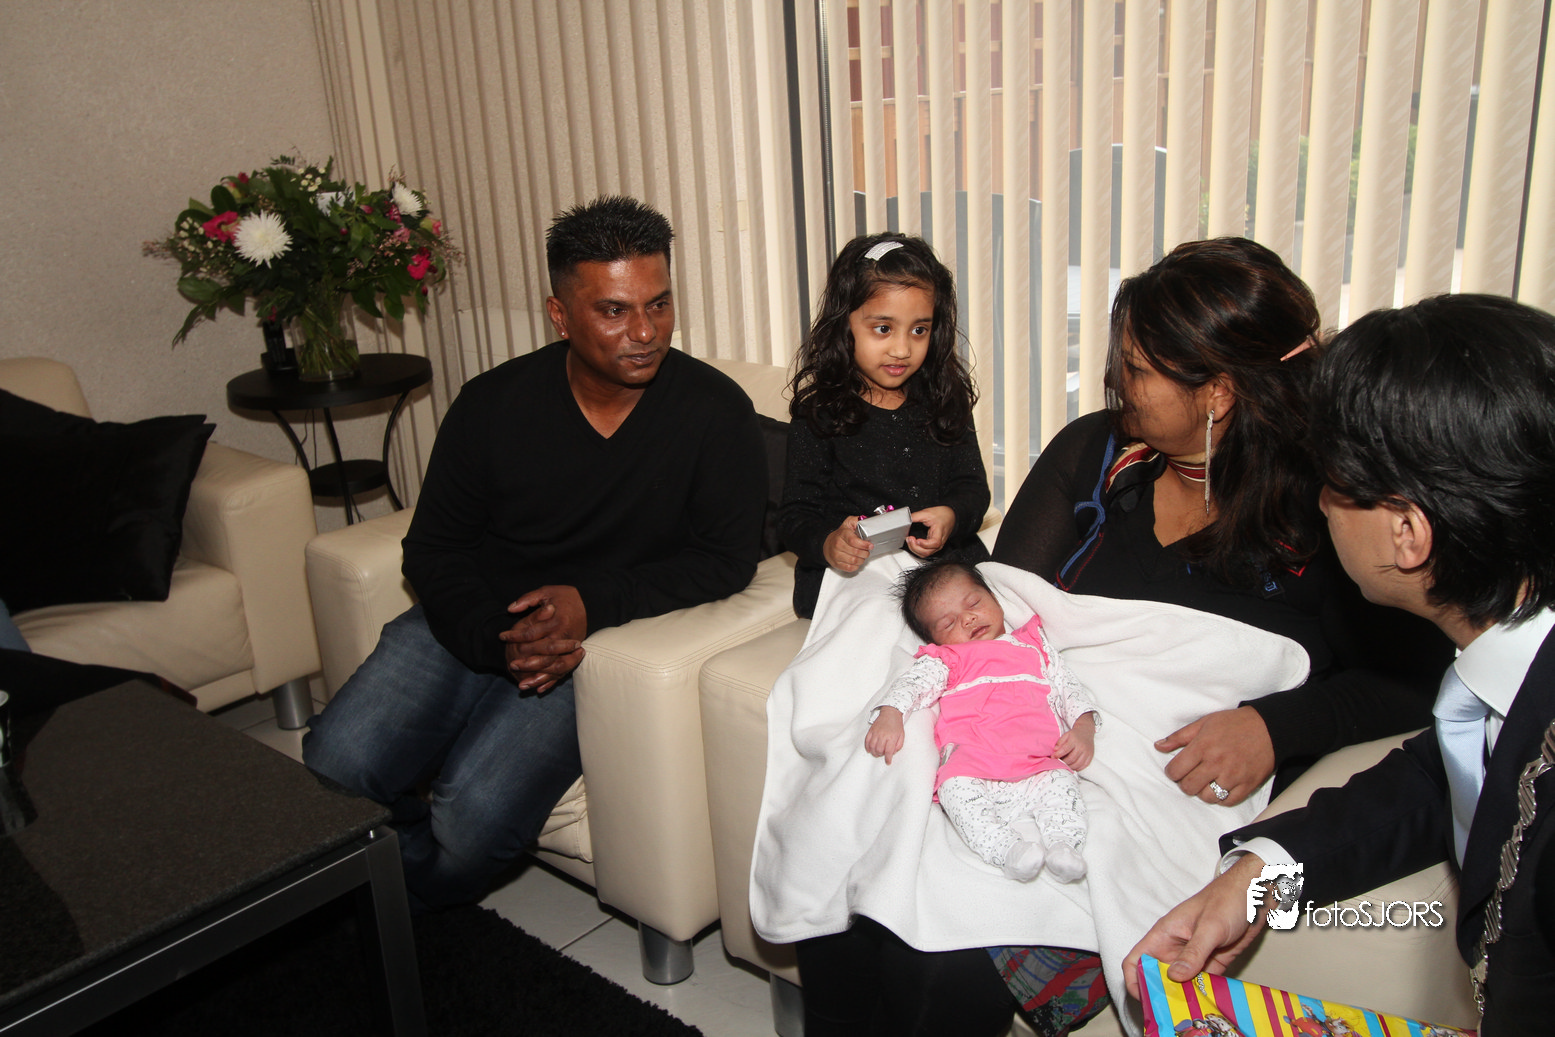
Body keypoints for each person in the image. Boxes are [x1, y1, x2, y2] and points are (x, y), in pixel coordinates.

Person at [302, 196, 767, 911]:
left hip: (595, 640)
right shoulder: (493, 403)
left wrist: (591, 603)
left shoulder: (715, 412)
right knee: (334, 764)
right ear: (560, 315)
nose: (645, 332)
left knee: (471, 820)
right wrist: (496, 635)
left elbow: (725, 559)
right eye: (613, 311)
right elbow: (434, 547)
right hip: (475, 617)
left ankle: (402, 903)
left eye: (658, 303)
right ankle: (393, 894)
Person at [1124, 293, 1555, 1034]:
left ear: (1407, 532)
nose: (1319, 505)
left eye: (1332, 483)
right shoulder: (1506, 677)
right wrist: (1258, 873)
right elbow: (1444, 776)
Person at [778, 232, 991, 619]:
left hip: (940, 565)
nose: (902, 349)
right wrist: (829, 544)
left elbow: (973, 488)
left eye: (919, 330)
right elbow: (795, 517)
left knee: (1005, 601)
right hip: (854, 574)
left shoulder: (945, 399)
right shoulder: (818, 414)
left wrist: (951, 516)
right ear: (845, 324)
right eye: (883, 329)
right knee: (889, 617)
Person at [865, 559, 1098, 883]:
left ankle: (1064, 846)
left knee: (1063, 788)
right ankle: (1007, 849)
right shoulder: (948, 659)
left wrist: (1084, 728)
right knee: (953, 790)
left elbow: (1068, 686)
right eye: (948, 623)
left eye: (974, 603)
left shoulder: (1034, 645)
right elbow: (913, 685)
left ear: (993, 598)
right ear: (935, 639)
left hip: (1040, 759)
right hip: (974, 763)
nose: (968, 618)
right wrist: (891, 713)